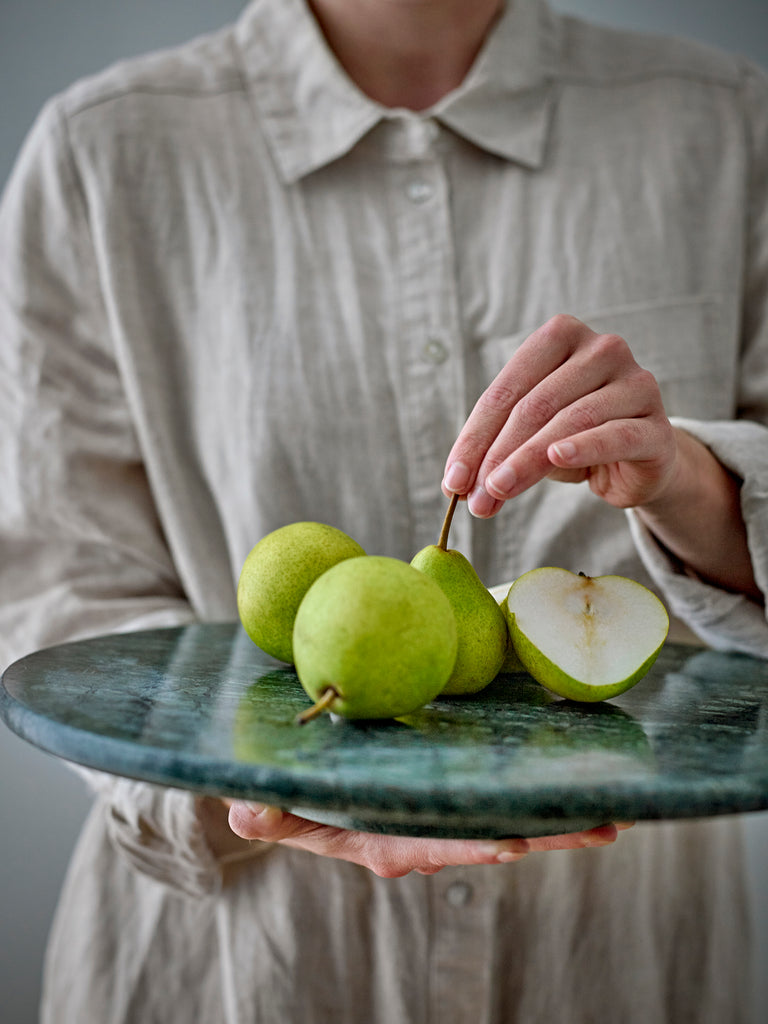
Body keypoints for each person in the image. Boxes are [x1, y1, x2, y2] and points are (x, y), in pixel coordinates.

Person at [1, 0, 767, 1020]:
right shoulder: (106, 153)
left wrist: (689, 482)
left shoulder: (722, 126)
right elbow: (58, 585)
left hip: (622, 965)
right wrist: (266, 791)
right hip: (233, 971)